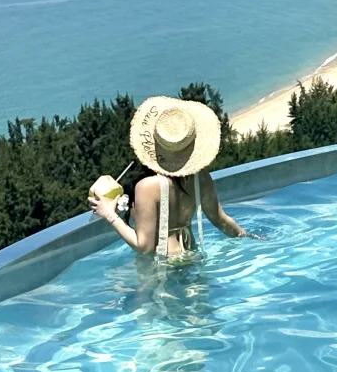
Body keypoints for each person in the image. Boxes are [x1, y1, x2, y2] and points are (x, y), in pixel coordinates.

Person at [88, 95, 246, 257]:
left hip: (162, 266)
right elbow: (221, 221)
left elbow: (145, 247)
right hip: (191, 255)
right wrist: (249, 238)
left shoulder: (147, 187)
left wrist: (110, 215)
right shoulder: (200, 177)